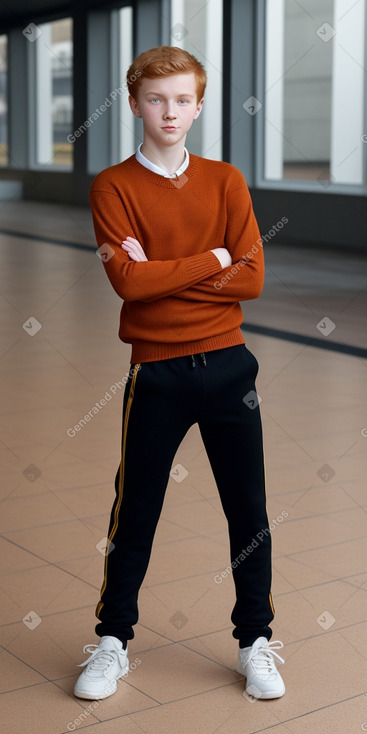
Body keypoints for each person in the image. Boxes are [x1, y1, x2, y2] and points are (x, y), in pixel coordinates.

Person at [73, 45, 285, 702]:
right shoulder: (111, 187)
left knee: (247, 510)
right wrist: (213, 256)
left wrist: (169, 271)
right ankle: (112, 641)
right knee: (134, 510)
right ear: (134, 103)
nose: (169, 111)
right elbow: (128, 285)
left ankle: (255, 642)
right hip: (156, 375)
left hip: (228, 369)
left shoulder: (226, 180)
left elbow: (250, 278)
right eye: (155, 98)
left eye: (182, 99)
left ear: (197, 107)